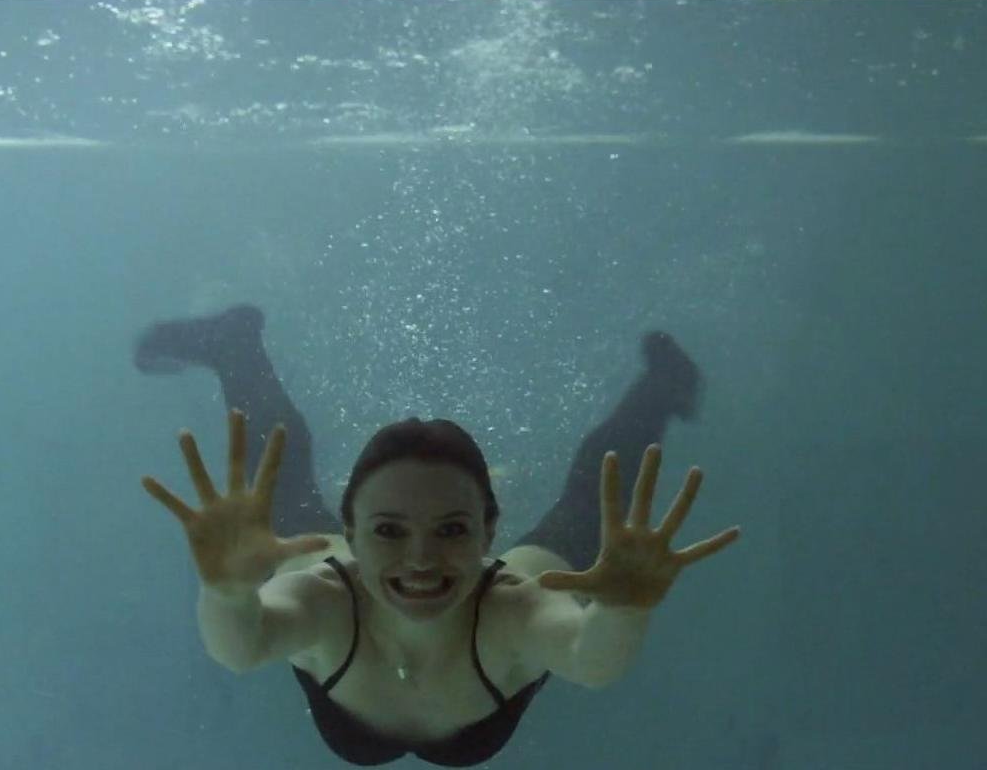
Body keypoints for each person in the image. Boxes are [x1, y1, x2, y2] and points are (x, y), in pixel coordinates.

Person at [133, 304, 741, 767]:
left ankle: (661, 387)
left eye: (451, 528)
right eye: (388, 530)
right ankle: (237, 343)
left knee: (586, 509)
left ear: (488, 531)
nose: (420, 559)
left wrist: (623, 608)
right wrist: (227, 589)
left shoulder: (514, 607)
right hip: (355, 575)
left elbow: (591, 660)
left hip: (483, 592)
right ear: (351, 531)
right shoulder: (323, 596)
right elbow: (240, 647)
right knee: (282, 487)